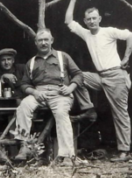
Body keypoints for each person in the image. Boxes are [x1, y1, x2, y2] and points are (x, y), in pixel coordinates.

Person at [65, 0, 132, 159]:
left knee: (120, 113)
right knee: (78, 77)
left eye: (94, 18)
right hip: (100, 76)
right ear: (85, 21)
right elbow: (68, 21)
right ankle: (88, 109)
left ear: (99, 19)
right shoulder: (86, 34)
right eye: (88, 19)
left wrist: (126, 57)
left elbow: (131, 36)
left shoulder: (109, 31)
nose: (91, 21)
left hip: (116, 76)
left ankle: (124, 151)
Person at [14, 29, 94, 165]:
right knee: (23, 107)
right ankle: (24, 146)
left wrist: (70, 88)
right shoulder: (31, 62)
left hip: (60, 94)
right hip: (39, 93)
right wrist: (35, 93)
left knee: (61, 113)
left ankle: (67, 156)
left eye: (46, 39)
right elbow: (24, 84)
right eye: (40, 40)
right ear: (36, 43)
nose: (43, 43)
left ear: (52, 40)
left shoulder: (63, 56)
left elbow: (78, 74)